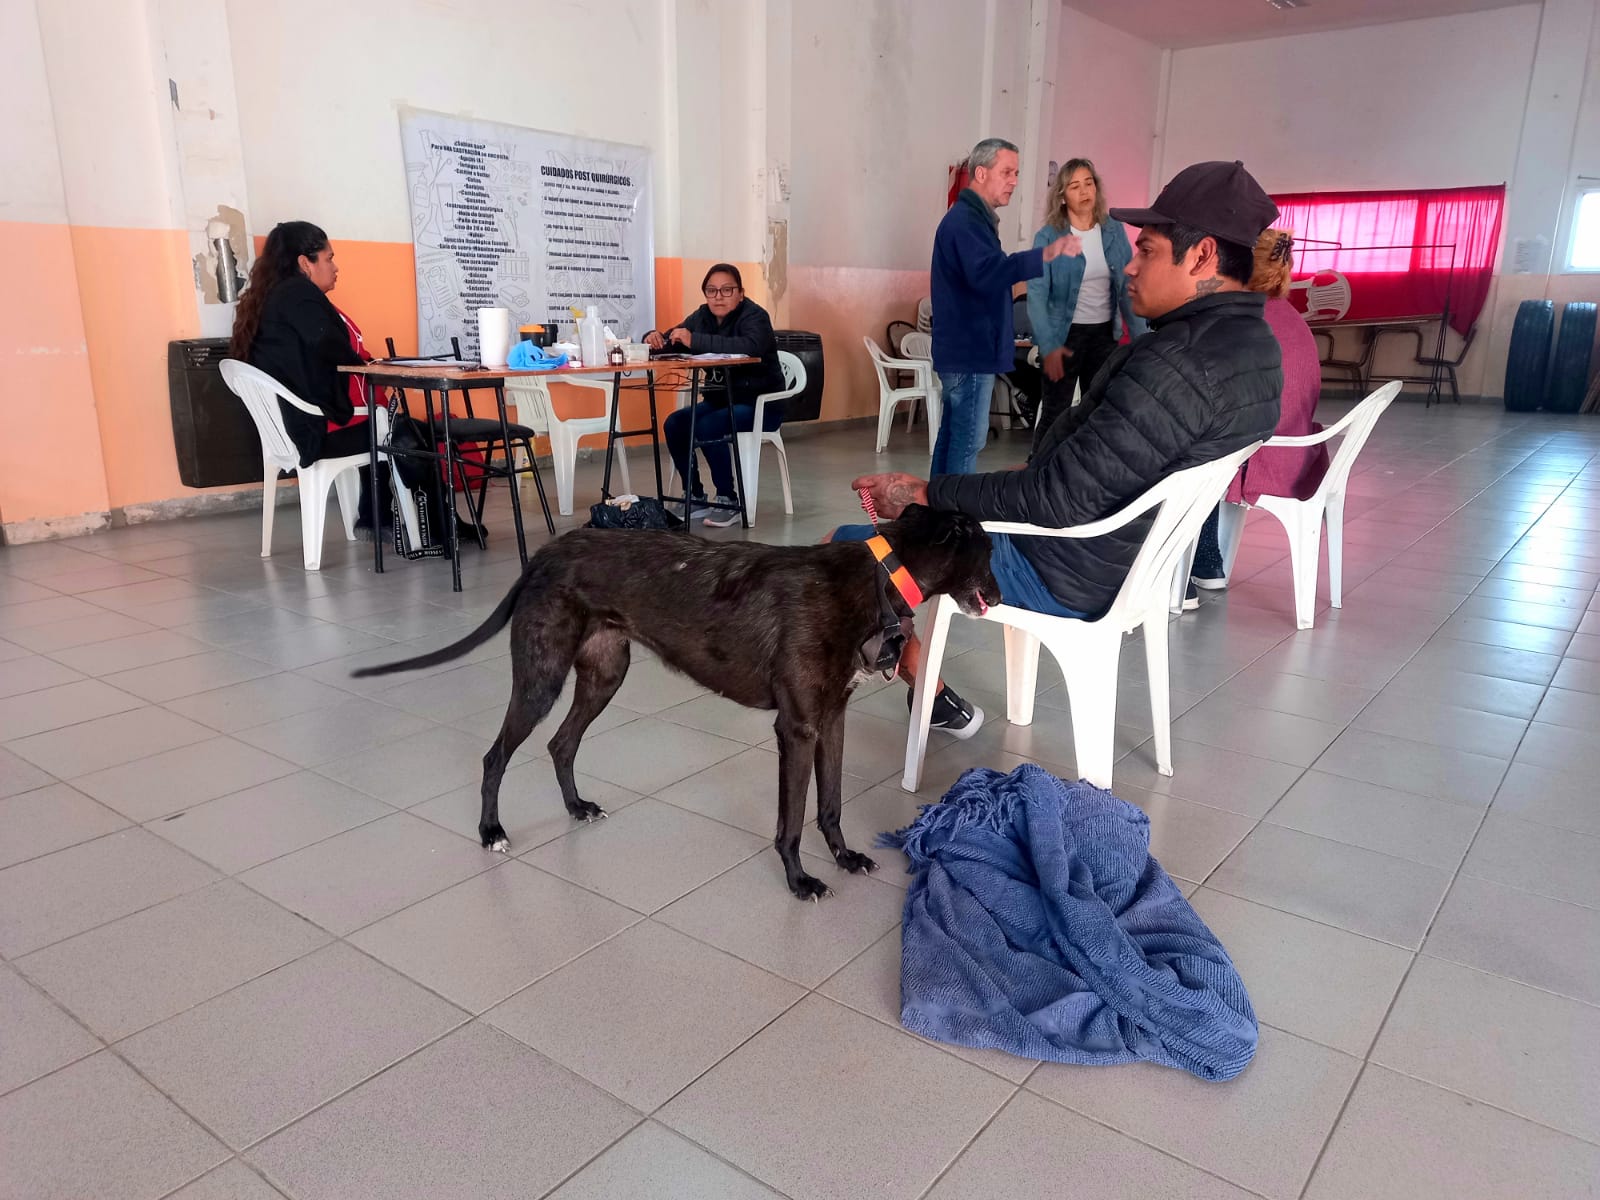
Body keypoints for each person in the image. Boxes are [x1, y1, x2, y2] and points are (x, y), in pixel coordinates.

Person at [847, 160, 1285, 732]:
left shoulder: (1176, 364)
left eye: (1147, 250)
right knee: (944, 511)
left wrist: (926, 493)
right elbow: (1086, 471)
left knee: (854, 550)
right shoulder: (1255, 348)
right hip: (1132, 562)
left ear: (1201, 256)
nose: (1130, 265)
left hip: (1068, 564)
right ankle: (923, 683)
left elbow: (1057, 500)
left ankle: (923, 686)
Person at [1189, 227, 1329, 592]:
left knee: (1187, 444)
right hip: (1297, 450)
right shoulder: (1289, 316)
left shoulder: (1247, 320)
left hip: (1265, 453)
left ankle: (1198, 562)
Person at [930, 138, 1079, 476]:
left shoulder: (972, 219)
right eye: (1007, 172)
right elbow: (988, 274)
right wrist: (1045, 255)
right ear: (980, 174)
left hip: (967, 350)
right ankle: (954, 517)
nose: (1014, 180)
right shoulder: (965, 222)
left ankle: (937, 512)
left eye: (1017, 173)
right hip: (970, 352)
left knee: (954, 438)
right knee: (966, 442)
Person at [230, 220, 389, 534]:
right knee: (406, 432)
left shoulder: (268, 297)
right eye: (328, 258)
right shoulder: (299, 295)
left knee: (389, 423)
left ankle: (379, 517)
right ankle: (422, 525)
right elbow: (326, 342)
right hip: (314, 431)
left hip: (290, 429)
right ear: (305, 262)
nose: (335, 267)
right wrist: (362, 362)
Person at [647, 264, 785, 528]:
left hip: (760, 404)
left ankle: (728, 499)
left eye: (726, 290)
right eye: (711, 291)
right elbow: (676, 337)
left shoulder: (756, 317)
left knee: (708, 425)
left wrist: (694, 340)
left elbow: (749, 346)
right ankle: (695, 495)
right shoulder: (702, 316)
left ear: (740, 293)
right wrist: (653, 338)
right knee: (675, 423)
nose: (718, 297)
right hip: (721, 400)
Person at [1026, 158, 1148, 451]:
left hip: (1104, 334)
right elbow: (1037, 294)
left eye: (1089, 183)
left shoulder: (1113, 230)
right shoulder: (1048, 236)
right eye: (1074, 186)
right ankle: (1037, 472)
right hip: (1063, 336)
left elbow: (1124, 286)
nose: (1084, 191)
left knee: (1099, 409)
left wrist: (1143, 338)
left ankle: (1085, 472)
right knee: (1056, 410)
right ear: (1062, 195)